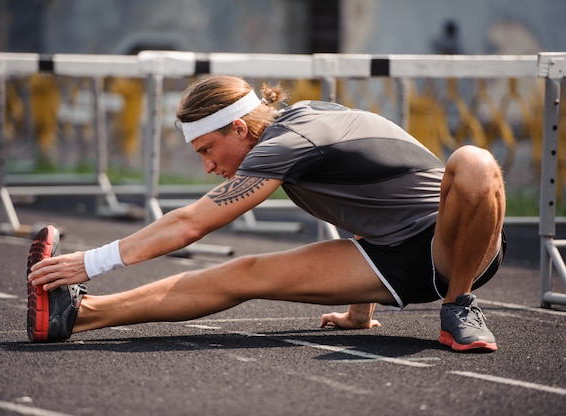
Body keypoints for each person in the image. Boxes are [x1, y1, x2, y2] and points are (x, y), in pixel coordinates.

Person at [26, 75, 506, 352]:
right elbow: (362, 197)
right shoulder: (297, 128)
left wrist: (91, 261)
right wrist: (360, 311)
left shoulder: (285, 144)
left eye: (208, 150)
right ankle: (78, 315)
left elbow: (192, 223)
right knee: (242, 273)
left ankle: (459, 307)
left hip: (457, 248)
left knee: (474, 162)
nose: (209, 166)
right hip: (392, 259)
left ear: (239, 128)